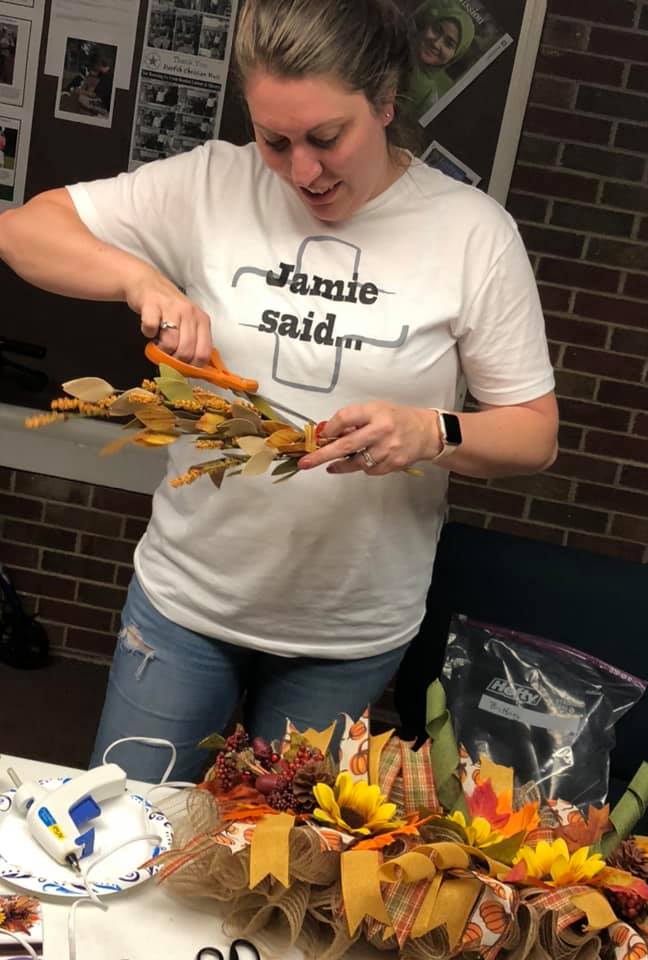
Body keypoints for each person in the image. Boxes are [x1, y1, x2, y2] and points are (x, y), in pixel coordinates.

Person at [0, 0, 557, 782]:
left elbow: (533, 432)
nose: (302, 172)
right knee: (131, 827)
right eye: (275, 140)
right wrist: (139, 279)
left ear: (386, 101)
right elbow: (23, 230)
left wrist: (433, 433)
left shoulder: (472, 233)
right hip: (188, 606)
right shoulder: (211, 184)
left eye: (327, 138)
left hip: (346, 632)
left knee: (277, 847)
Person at [406, 0, 476, 119]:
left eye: (449, 44)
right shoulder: (392, 44)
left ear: (455, 55)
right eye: (437, 30)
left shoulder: (428, 100)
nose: (436, 43)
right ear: (428, 24)